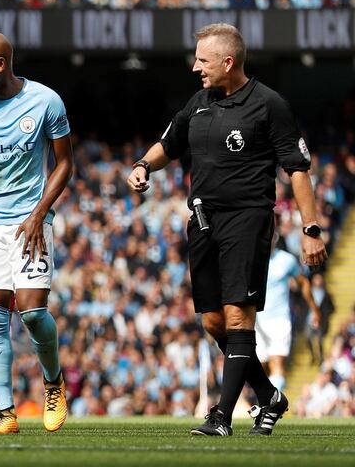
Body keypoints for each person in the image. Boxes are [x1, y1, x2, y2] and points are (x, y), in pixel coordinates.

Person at [127, 23, 327, 436]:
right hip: (202, 222)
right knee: (214, 323)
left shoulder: (270, 105)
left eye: (203, 60)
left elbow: (297, 169)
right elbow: (169, 143)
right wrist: (144, 165)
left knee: (238, 317)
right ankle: (270, 396)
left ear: (227, 61)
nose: (196, 67)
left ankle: (221, 416)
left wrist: (310, 227)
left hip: (247, 219)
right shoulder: (198, 102)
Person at [0, 32, 73, 434]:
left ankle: (53, 383)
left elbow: (64, 165)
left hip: (30, 220)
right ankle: (5, 414)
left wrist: (40, 214)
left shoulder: (45, 101)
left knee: (33, 311)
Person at [255, 233, 319, 392]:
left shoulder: (286, 260)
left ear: (275, 239)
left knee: (277, 362)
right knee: (260, 366)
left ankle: (273, 407)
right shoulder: (251, 259)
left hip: (280, 320)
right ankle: (268, 401)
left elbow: (303, 283)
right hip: (256, 320)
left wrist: (314, 309)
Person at [306, 273, 335, 365]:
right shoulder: (308, 292)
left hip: (321, 322)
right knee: (308, 339)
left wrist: (324, 316)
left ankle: (321, 358)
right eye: (316, 279)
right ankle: (313, 356)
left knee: (320, 340)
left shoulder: (326, 294)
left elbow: (332, 308)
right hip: (309, 321)